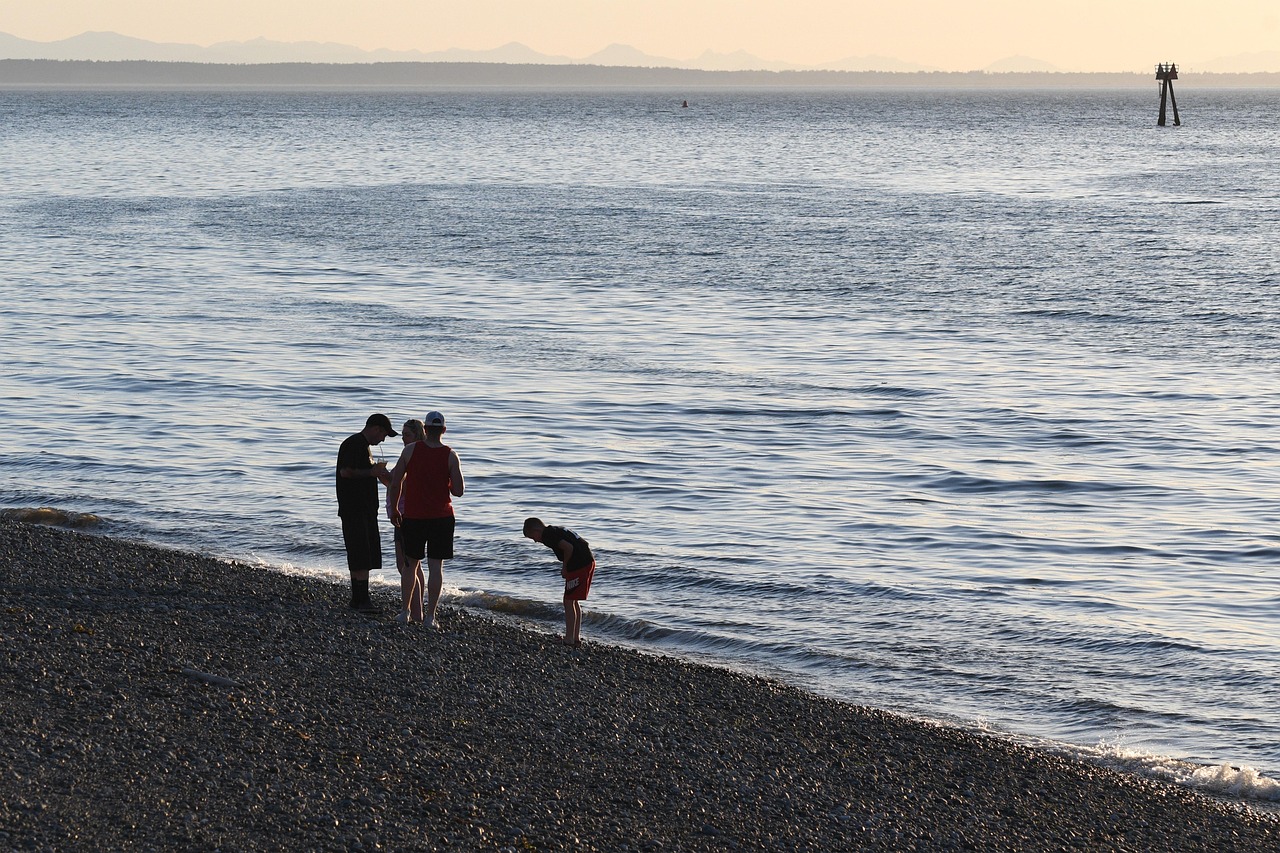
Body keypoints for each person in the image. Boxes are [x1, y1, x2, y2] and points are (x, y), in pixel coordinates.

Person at [386, 411, 464, 628]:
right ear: (444, 431)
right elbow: (458, 491)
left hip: (414, 516)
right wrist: (444, 483)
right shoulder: (450, 455)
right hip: (442, 517)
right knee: (435, 567)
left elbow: (395, 482)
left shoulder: (410, 451)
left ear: (426, 429)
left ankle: (405, 612)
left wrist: (394, 510)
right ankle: (430, 617)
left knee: (410, 565)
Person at [335, 413, 397, 613]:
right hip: (355, 507)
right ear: (376, 428)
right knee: (361, 552)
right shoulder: (355, 444)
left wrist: (377, 474)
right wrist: (370, 472)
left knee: (360, 552)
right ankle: (362, 600)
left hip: (362, 508)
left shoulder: (363, 447)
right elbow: (346, 472)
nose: (383, 440)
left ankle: (357, 599)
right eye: (384, 435)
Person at [522, 517, 596, 647]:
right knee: (572, 599)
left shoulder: (548, 535)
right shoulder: (554, 530)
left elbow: (569, 548)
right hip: (588, 560)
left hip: (580, 564)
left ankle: (569, 639)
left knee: (568, 601)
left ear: (536, 530)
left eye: (532, 537)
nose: (534, 541)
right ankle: (575, 638)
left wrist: (565, 567)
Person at [386, 418, 426, 623]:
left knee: (406, 565)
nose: (403, 438)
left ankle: (415, 611)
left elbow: (399, 483)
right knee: (413, 566)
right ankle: (417, 610)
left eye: (406, 434)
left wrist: (382, 474)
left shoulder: (411, 455)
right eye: (402, 434)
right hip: (406, 513)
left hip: (404, 514)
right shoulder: (415, 453)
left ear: (417, 435)